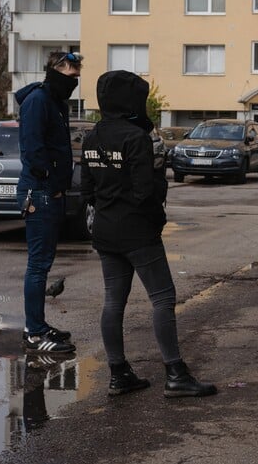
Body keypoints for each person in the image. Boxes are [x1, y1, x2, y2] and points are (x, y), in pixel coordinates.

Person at [81, 70, 216, 398]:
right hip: (137, 230)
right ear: (130, 101)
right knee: (163, 297)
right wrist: (157, 219)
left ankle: (118, 373)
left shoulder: (92, 137)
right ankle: (175, 374)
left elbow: (86, 189)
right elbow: (146, 192)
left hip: (105, 229)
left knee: (114, 300)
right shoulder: (135, 137)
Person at [15, 50, 82, 355]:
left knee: (43, 263)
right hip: (40, 193)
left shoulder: (55, 102)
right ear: (55, 71)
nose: (75, 81)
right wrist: (52, 182)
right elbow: (32, 149)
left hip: (49, 192)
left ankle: (39, 325)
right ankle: (33, 332)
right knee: (38, 265)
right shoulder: (38, 101)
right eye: (71, 75)